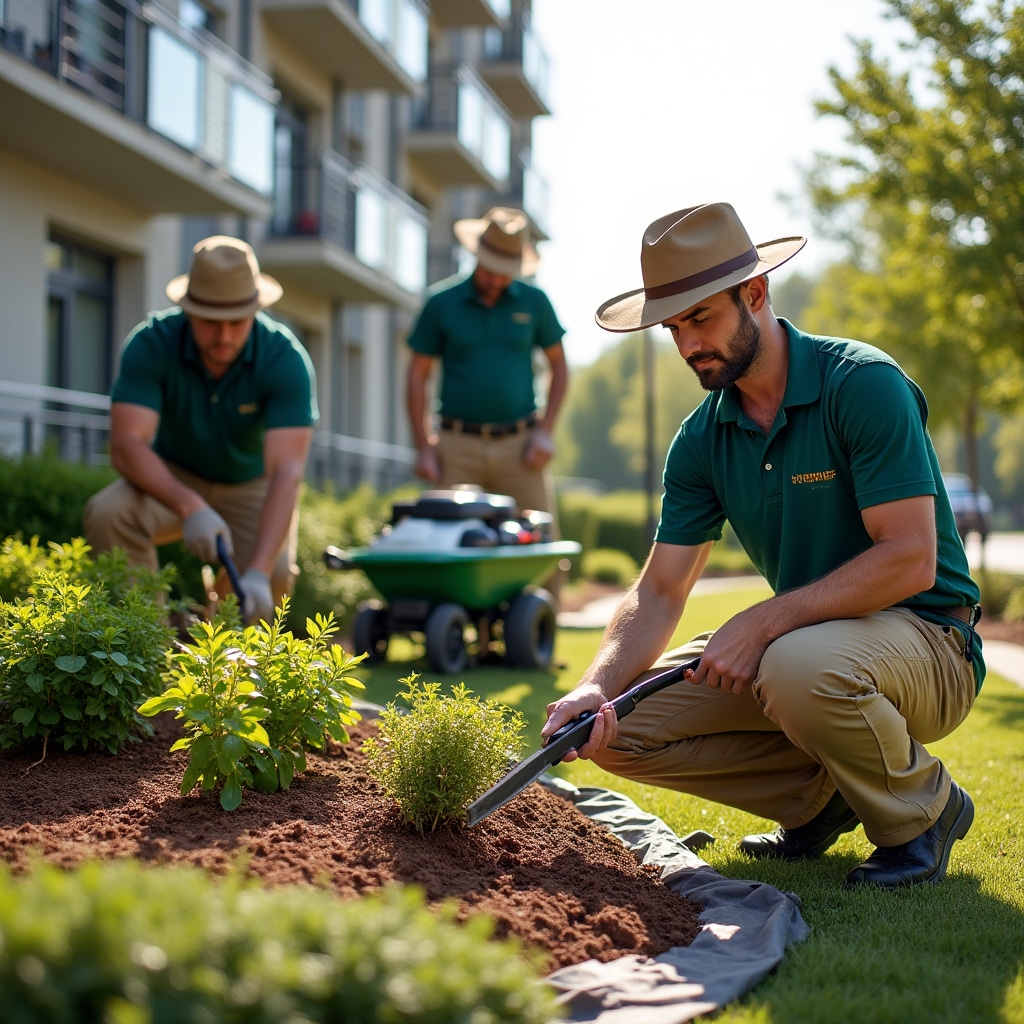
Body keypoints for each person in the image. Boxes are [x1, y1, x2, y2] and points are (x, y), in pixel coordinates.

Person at [541, 202, 984, 890]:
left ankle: (924, 812)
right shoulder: (700, 439)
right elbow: (660, 591)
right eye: (673, 327)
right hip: (812, 649)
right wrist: (596, 684)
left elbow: (909, 557)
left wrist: (764, 620)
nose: (687, 344)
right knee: (615, 728)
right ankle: (822, 799)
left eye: (701, 318)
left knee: (792, 665)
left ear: (755, 294)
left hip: (930, 641)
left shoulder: (861, 384)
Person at [84, 235, 318, 625]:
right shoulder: (152, 343)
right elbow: (127, 445)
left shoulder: (285, 359)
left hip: (251, 484)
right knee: (109, 513)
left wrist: (257, 572)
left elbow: (286, 472)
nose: (223, 337)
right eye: (210, 321)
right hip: (174, 475)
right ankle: (147, 647)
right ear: (188, 310)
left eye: (236, 322)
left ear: (256, 310)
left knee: (273, 574)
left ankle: (226, 666)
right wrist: (190, 505)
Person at [405, 207, 568, 524]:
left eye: (505, 271)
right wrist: (424, 446)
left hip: (521, 447)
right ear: (475, 255)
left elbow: (559, 366)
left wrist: (546, 431)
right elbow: (416, 375)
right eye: (490, 269)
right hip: (455, 446)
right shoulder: (440, 303)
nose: (496, 279)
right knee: (442, 541)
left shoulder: (536, 303)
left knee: (542, 542)